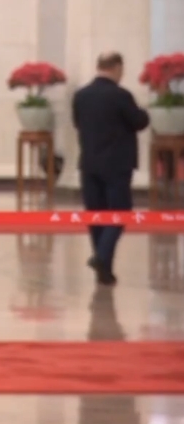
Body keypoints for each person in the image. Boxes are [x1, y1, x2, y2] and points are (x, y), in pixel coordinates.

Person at [72, 51, 150, 286]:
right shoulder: (120, 95)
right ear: (117, 68)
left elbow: (77, 123)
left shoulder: (81, 96)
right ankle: (102, 257)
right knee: (120, 211)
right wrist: (145, 112)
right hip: (117, 165)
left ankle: (103, 269)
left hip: (89, 164)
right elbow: (139, 122)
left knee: (96, 216)